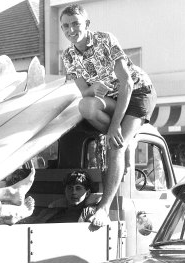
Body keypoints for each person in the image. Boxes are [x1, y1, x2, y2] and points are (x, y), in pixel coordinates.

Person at [60, 4, 156, 227]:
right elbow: (85, 92)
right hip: (112, 98)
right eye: (65, 26)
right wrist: (95, 88)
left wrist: (114, 127)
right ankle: (115, 136)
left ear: (87, 24)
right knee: (86, 106)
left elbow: (128, 83)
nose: (71, 29)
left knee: (117, 145)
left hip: (138, 93)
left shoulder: (105, 40)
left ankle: (103, 209)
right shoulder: (68, 55)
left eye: (75, 23)